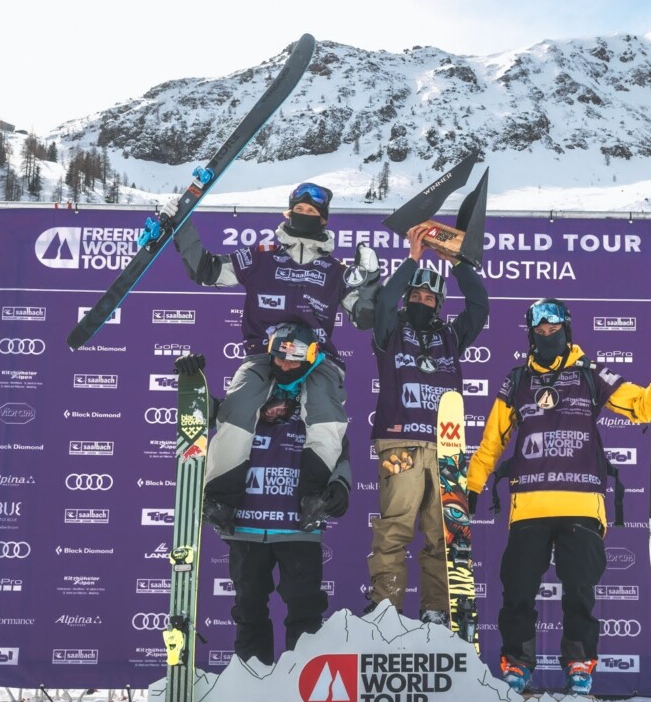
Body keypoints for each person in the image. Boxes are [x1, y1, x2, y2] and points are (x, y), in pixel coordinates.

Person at [464, 298, 651, 696]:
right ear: (531, 337)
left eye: (554, 330)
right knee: (517, 589)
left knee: (580, 591)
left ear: (568, 331)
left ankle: (579, 663)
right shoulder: (517, 381)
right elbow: (491, 442)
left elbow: (640, 406)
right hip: (528, 504)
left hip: (581, 502)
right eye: (540, 332)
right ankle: (517, 664)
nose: (547, 336)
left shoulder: (590, 375)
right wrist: (473, 486)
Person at [162, 182, 377, 531]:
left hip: (317, 358)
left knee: (325, 411)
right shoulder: (261, 255)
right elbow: (207, 270)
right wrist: (182, 223)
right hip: (263, 353)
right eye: (300, 210)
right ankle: (219, 499)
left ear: (324, 221)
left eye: (312, 213)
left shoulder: (335, 270)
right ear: (288, 213)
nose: (304, 216)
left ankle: (316, 496)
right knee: (237, 406)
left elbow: (364, 317)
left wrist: (370, 281)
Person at [175, 324, 351, 666]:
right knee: (249, 611)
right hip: (247, 527)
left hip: (298, 527)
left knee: (305, 615)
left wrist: (339, 488)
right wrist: (191, 380)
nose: (284, 366)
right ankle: (252, 691)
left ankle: (302, 696)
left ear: (312, 359)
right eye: (278, 358)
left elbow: (340, 450)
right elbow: (205, 416)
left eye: (293, 360)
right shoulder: (244, 400)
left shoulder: (320, 405)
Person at [366, 224, 489, 625]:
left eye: (430, 297)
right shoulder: (390, 332)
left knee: (443, 537)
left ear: (439, 303)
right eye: (416, 295)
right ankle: (387, 608)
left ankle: (437, 610)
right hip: (399, 443)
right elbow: (383, 302)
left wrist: (457, 263)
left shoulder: (451, 337)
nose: (422, 301)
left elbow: (479, 306)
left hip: (446, 449)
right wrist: (413, 259)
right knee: (395, 529)